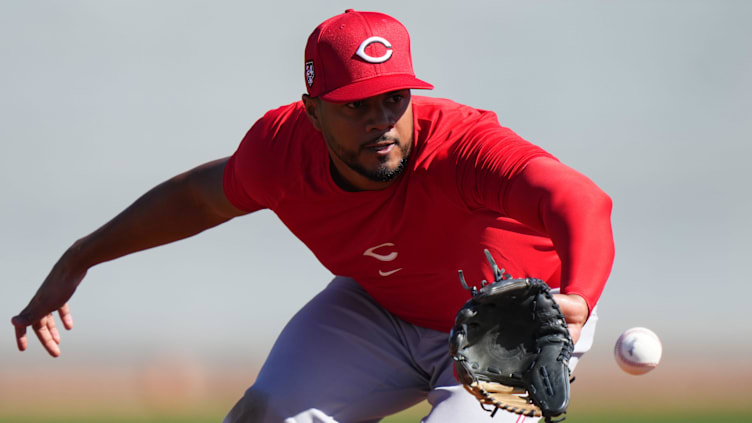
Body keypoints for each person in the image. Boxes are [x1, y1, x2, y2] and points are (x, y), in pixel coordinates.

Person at [11, 9, 614, 423]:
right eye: (355, 105)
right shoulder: (281, 152)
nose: (380, 119)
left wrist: (580, 300)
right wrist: (79, 256)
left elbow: (581, 201)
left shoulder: (462, 147)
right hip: (381, 307)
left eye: (393, 99)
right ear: (312, 111)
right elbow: (197, 197)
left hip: (508, 325)